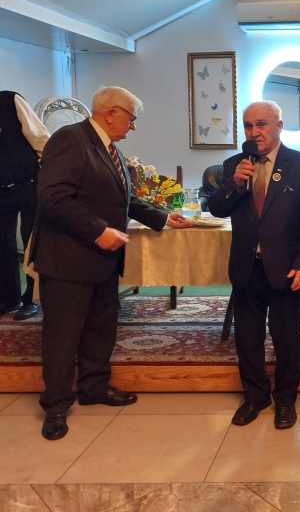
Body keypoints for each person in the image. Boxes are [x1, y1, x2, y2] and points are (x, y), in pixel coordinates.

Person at [31, 86, 192, 441]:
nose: (132, 127)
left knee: (101, 328)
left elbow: (124, 200)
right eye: (131, 119)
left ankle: (94, 387)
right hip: (68, 260)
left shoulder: (109, 149)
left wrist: (164, 218)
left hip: (102, 260)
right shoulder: (70, 140)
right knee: (62, 336)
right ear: (111, 112)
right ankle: (56, 406)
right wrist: (97, 231)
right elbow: (52, 199)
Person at [208, 101, 300, 430]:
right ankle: (255, 397)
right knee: (247, 337)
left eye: (261, 124)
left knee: (286, 338)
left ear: (279, 126)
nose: (254, 132)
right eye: (248, 125)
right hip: (247, 266)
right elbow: (216, 209)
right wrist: (234, 183)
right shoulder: (234, 165)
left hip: (286, 268)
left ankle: (285, 399)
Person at [0, 90, 49, 320]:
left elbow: (40, 138)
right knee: (3, 244)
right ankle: (9, 299)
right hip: (2, 188)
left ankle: (31, 298)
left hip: (29, 183)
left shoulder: (10, 101)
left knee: (31, 241)